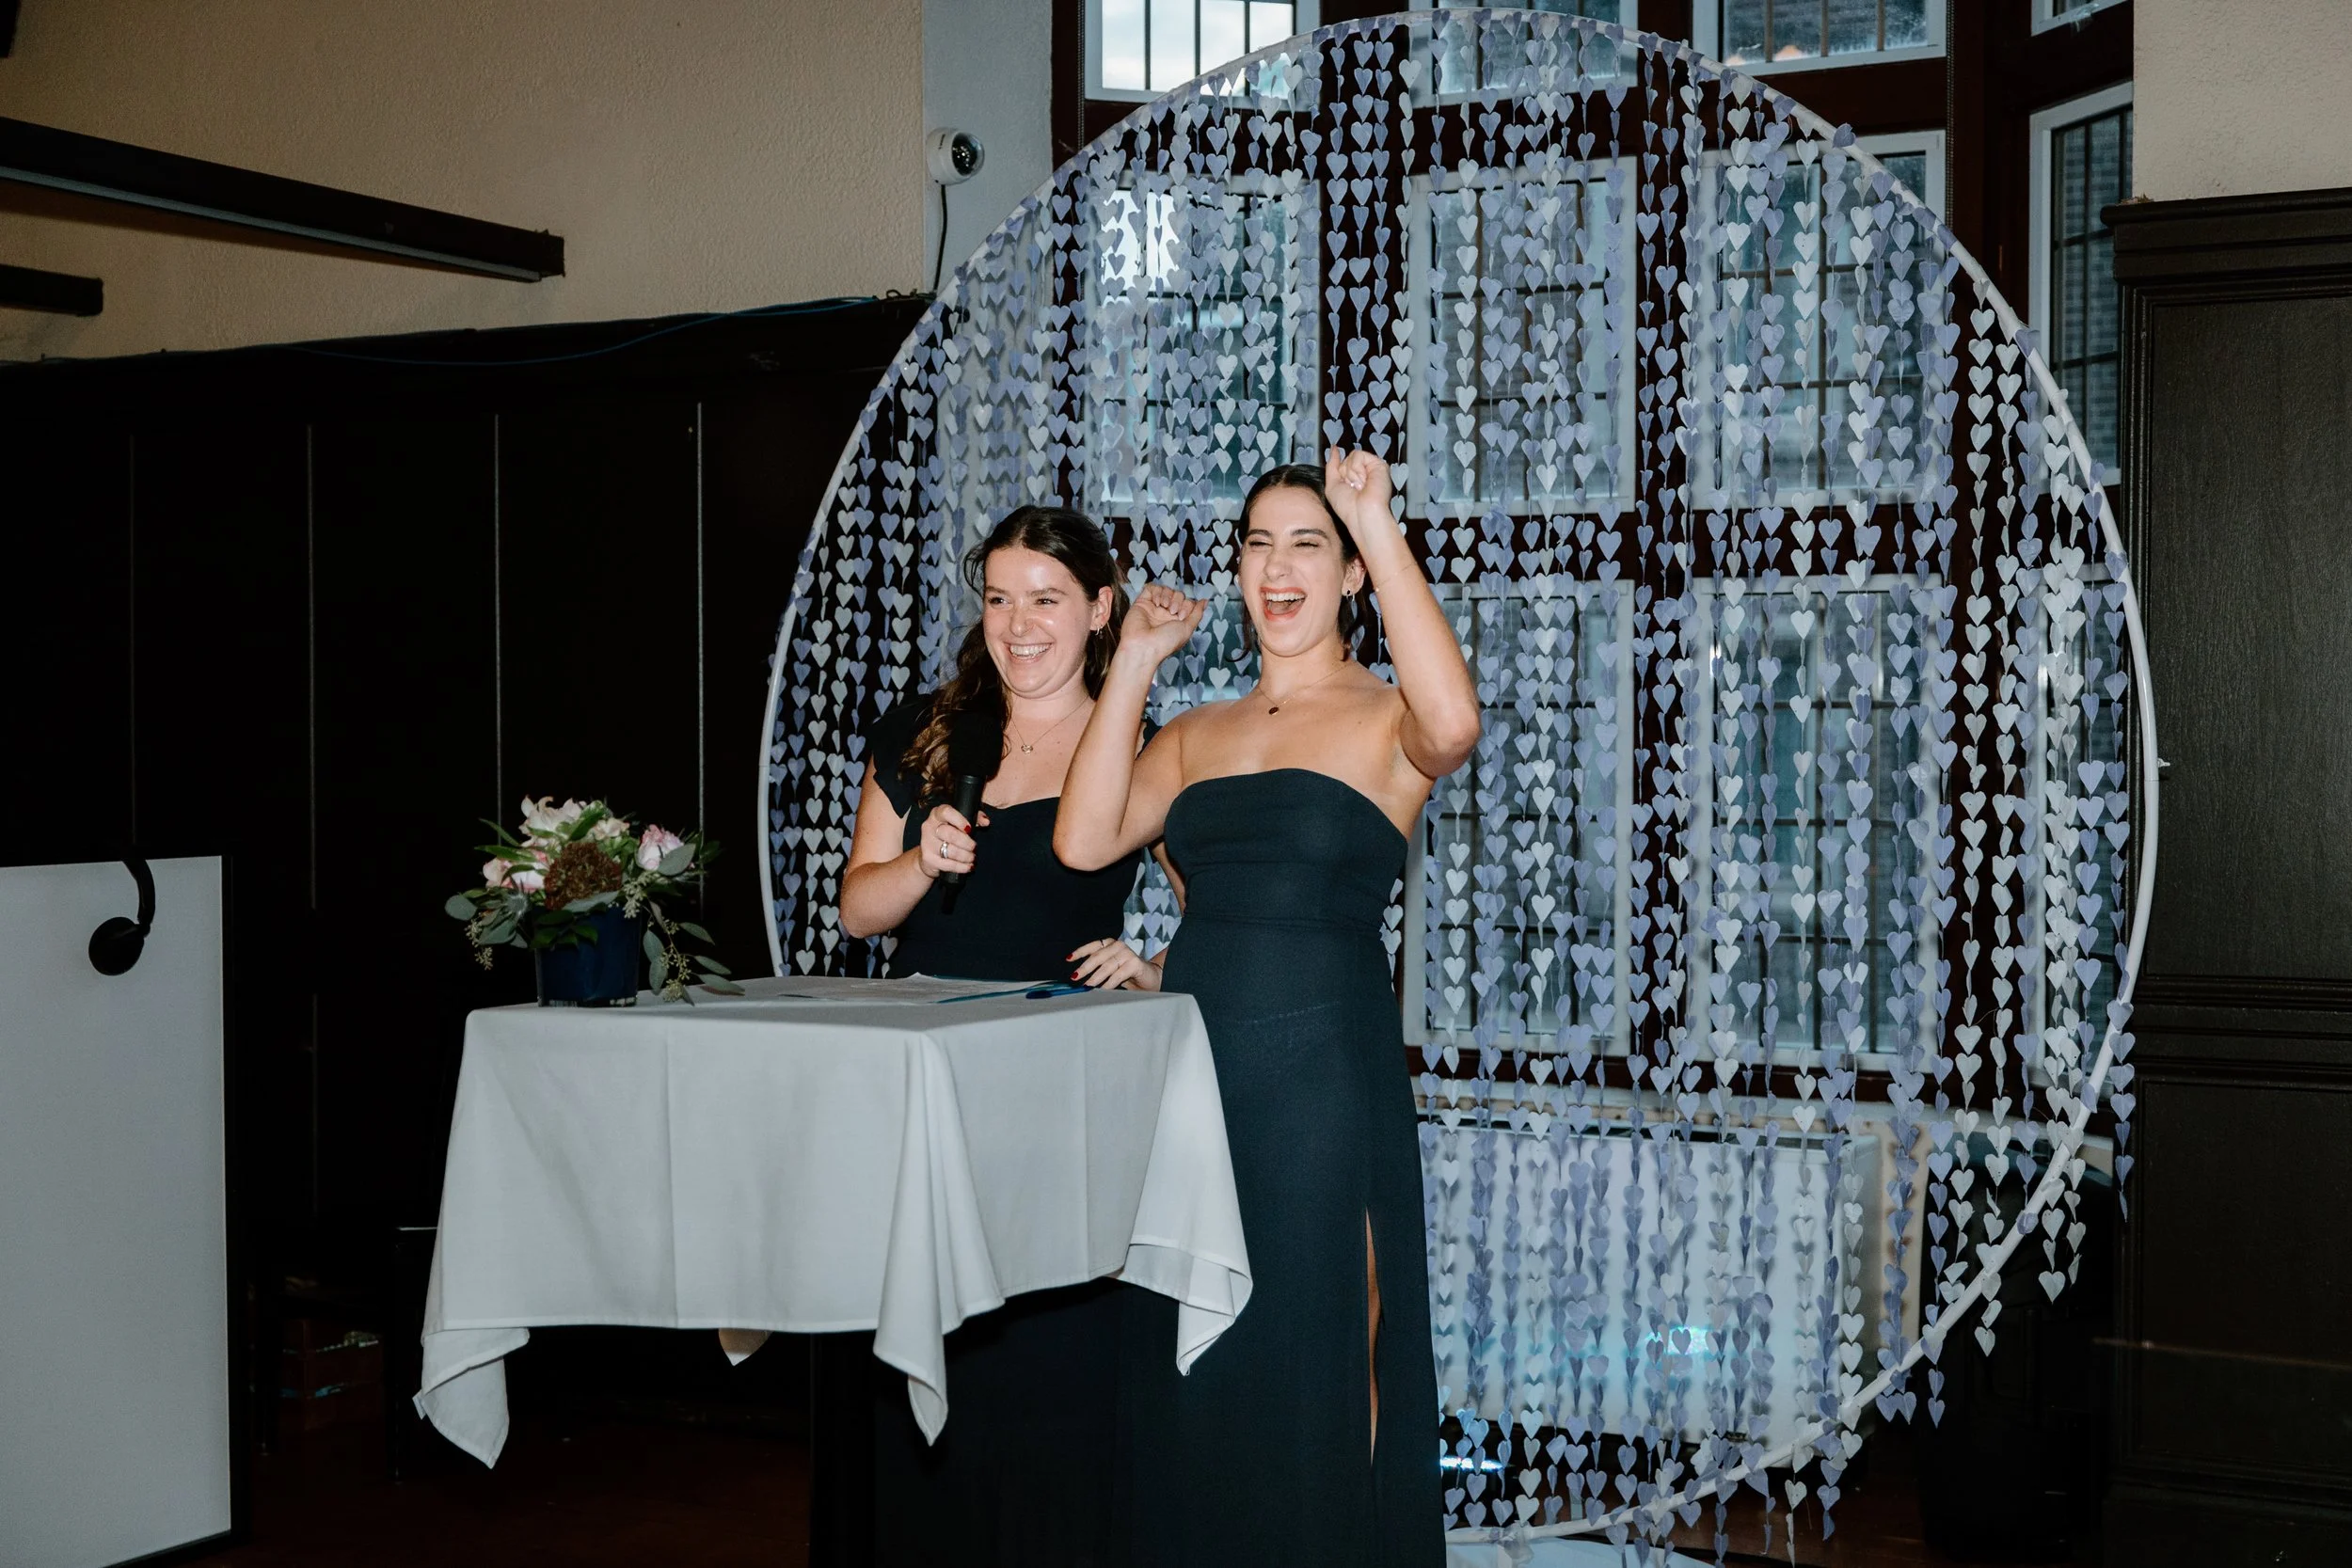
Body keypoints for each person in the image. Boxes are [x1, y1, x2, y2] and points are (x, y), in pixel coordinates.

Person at [1056, 451, 1481, 1565]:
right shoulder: (1194, 732)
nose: (1277, 567)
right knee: (1197, 1358)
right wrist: (1134, 660)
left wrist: (1375, 518)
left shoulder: (1387, 719)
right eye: (1258, 544)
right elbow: (1085, 838)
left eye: (1307, 543)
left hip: (1321, 1086)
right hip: (1193, 1084)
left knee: (1320, 1344)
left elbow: (1454, 724)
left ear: (1350, 573)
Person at [818, 505, 1162, 1566]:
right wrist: (918, 861)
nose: (1018, 624)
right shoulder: (929, 730)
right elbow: (857, 910)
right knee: (921, 1340)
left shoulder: (1140, 739)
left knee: (1040, 1358)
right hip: (919, 1087)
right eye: (1001, 598)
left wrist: (1155, 965)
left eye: (1046, 599)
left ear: (1100, 609)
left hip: (1055, 1100)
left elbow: (1226, 906)